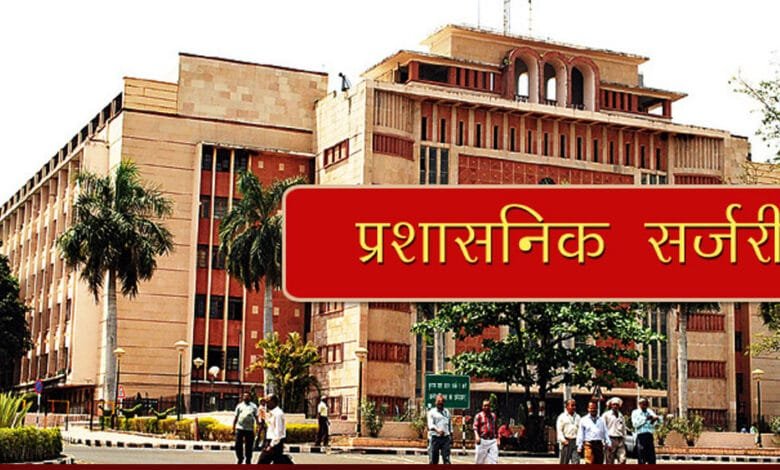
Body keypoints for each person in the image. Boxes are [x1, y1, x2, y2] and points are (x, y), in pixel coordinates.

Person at [257, 395, 292, 464]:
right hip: (271, 441)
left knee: (262, 461)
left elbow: (279, 431)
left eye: (268, 401)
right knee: (278, 461)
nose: (266, 404)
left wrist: (271, 445)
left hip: (275, 442)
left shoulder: (278, 414)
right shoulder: (272, 413)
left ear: (273, 402)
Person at [232, 392, 262, 464]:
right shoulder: (239, 406)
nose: (245, 398)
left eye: (247, 396)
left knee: (249, 446)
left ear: (250, 397)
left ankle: (248, 459)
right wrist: (233, 428)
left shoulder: (254, 406)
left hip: (249, 429)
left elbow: (256, 417)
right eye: (244, 396)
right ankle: (240, 458)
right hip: (240, 428)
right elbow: (236, 417)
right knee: (238, 445)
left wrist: (258, 426)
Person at [631, 398, 658, 465]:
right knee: (642, 457)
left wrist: (654, 420)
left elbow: (654, 423)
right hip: (641, 436)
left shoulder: (649, 411)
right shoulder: (635, 412)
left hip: (649, 436)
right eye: (644, 404)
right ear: (639, 404)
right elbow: (635, 425)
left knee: (651, 458)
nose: (645, 406)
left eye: (647, 404)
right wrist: (645, 419)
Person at [427, 394, 452, 464]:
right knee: (434, 460)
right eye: (438, 401)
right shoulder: (432, 412)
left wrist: (451, 436)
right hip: (435, 438)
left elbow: (450, 424)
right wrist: (438, 431)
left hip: (445, 438)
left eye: (442, 401)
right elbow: (430, 425)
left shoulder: (447, 412)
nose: (440, 403)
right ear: (435, 402)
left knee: (446, 460)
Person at [473, 399, 499, 464]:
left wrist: (498, 438)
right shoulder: (479, 416)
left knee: (494, 461)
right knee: (479, 462)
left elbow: (496, 428)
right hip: (482, 440)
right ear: (482, 406)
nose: (486, 407)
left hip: (492, 440)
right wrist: (477, 436)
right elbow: (475, 427)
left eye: (488, 406)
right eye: (485, 405)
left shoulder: (493, 416)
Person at [602, 397, 627, 464]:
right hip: (610, 439)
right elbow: (602, 428)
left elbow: (624, 428)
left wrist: (624, 438)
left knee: (622, 459)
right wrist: (604, 441)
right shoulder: (606, 415)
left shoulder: (621, 416)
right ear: (611, 405)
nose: (615, 406)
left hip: (620, 439)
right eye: (614, 404)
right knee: (609, 461)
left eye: (617, 405)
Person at [556, 399, 581, 464]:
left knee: (576, 462)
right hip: (566, 441)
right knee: (564, 462)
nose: (574, 407)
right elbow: (559, 430)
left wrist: (580, 442)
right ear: (566, 406)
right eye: (572, 405)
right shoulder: (562, 417)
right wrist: (563, 440)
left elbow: (580, 430)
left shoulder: (578, 417)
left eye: (575, 405)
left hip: (575, 442)